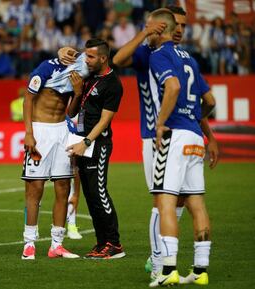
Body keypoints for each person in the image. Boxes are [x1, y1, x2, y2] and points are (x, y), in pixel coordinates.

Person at [112, 5, 218, 280]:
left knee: (165, 199)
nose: (179, 30)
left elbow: (178, 92)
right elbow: (119, 59)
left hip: (167, 135)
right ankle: (166, 262)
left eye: (182, 25)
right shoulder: (149, 53)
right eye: (175, 25)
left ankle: (163, 267)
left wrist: (209, 134)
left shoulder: (166, 56)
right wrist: (145, 32)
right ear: (160, 27)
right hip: (159, 136)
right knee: (181, 200)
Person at [146, 9, 215, 286]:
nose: (147, 32)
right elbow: (208, 100)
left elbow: (172, 87)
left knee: (165, 202)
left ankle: (167, 270)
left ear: (160, 28)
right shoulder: (190, 59)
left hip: (174, 136)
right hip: (196, 136)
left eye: (149, 28)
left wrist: (161, 123)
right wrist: (195, 118)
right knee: (197, 204)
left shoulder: (159, 54)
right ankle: (200, 271)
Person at [21, 52, 88, 260]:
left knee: (63, 187)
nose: (72, 55)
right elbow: (28, 99)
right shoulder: (46, 68)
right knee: (35, 188)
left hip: (62, 131)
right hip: (40, 131)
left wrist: (77, 93)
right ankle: (29, 243)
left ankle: (57, 245)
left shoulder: (79, 74)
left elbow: (71, 112)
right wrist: (29, 133)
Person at [67, 38, 125, 259]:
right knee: (90, 196)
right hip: (83, 142)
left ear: (103, 57)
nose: (86, 60)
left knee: (99, 193)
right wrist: (78, 91)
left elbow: (104, 121)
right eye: (85, 55)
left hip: (97, 144)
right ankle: (102, 243)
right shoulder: (88, 79)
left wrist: (87, 142)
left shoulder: (113, 84)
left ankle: (115, 244)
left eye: (90, 56)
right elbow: (72, 113)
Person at [65, 115, 83, 240]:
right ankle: (32, 231)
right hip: (43, 157)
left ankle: (72, 226)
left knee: (69, 190)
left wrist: (77, 192)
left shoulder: (69, 125)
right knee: (35, 190)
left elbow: (74, 159)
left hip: (65, 161)